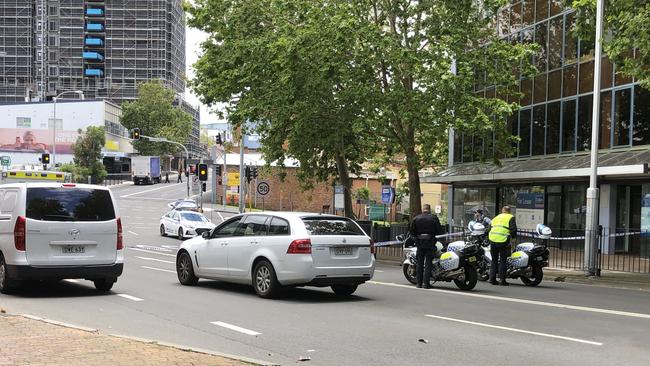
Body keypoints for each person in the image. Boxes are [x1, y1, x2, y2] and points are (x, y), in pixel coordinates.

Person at [409, 204, 444, 289]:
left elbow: (412, 232)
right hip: (430, 242)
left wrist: (417, 238)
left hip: (420, 243)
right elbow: (439, 231)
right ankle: (426, 284)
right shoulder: (434, 218)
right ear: (429, 210)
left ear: (422, 209)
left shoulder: (416, 218)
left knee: (419, 263)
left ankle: (418, 283)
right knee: (428, 263)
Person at [487, 205, 517, 286]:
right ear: (509, 211)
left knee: (494, 260)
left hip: (492, 240)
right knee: (503, 260)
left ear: (502, 210)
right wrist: (513, 238)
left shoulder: (496, 217)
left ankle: (492, 279)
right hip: (502, 241)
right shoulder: (511, 217)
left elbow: (489, 229)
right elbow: (513, 230)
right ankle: (502, 280)